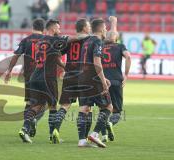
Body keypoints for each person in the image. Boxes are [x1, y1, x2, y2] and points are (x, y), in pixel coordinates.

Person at [18, 19, 68, 144]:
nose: (59, 30)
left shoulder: (40, 42)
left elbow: (55, 59)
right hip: (48, 78)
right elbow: (68, 43)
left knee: (36, 105)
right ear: (52, 28)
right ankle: (52, 136)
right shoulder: (55, 41)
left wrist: (65, 67)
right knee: (52, 106)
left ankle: (24, 129)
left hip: (35, 76)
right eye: (58, 28)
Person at [50, 18, 92, 147]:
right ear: (84, 28)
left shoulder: (69, 41)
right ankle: (84, 137)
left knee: (65, 105)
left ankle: (55, 130)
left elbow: (55, 53)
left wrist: (63, 65)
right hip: (83, 76)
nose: (90, 28)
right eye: (88, 26)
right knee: (87, 108)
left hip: (70, 75)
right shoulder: (90, 40)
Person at [5, 18, 45, 138]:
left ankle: (25, 127)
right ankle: (32, 121)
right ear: (43, 29)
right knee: (44, 102)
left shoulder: (26, 40)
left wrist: (9, 70)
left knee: (29, 102)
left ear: (32, 27)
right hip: (42, 74)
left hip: (28, 75)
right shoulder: (46, 40)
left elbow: (16, 55)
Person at [78, 18, 113, 148]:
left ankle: (82, 140)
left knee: (85, 108)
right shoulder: (98, 41)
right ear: (101, 28)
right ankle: (95, 134)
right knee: (108, 107)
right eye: (105, 28)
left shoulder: (86, 41)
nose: (106, 30)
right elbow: (96, 62)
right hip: (94, 80)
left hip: (83, 77)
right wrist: (103, 81)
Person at [101, 20, 131, 142]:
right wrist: (127, 74)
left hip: (103, 82)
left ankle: (103, 136)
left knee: (104, 110)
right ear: (116, 39)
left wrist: (113, 23)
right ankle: (111, 124)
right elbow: (128, 57)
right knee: (117, 112)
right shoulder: (119, 46)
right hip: (116, 81)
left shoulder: (100, 46)